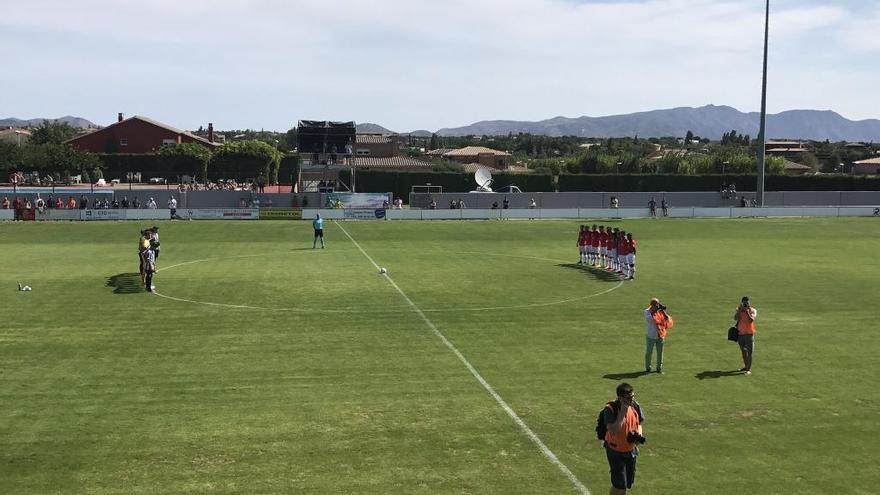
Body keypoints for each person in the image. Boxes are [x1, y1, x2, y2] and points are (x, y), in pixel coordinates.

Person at [603, 382, 644, 495]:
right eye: (628, 398)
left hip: (631, 451)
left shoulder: (635, 405)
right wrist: (622, 413)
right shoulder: (610, 409)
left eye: (632, 396)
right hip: (616, 452)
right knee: (620, 485)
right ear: (620, 398)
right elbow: (613, 430)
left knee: (626, 484)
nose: (631, 399)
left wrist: (638, 435)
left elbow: (639, 423)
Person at [645, 298, 673, 373]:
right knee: (649, 352)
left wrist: (663, 311)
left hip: (660, 335)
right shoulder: (647, 311)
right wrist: (655, 311)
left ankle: (659, 368)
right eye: (655, 305)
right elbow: (651, 319)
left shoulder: (660, 312)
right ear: (651, 305)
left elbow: (667, 319)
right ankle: (648, 367)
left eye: (657, 304)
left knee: (660, 353)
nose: (657, 306)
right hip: (651, 335)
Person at [734, 296, 758, 374]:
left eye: (747, 302)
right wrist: (739, 311)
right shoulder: (739, 309)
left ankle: (749, 369)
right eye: (744, 302)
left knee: (749, 352)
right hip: (740, 334)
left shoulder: (753, 310)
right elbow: (735, 318)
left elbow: (751, 320)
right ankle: (745, 366)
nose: (746, 304)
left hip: (749, 334)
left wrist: (747, 311)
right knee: (743, 351)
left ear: (749, 302)